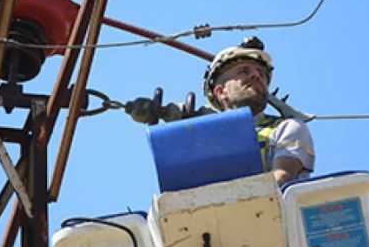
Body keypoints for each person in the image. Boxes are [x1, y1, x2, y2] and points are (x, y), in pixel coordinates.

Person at [127, 37, 315, 187]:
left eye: (261, 74)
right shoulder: (201, 139)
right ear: (221, 92)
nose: (256, 75)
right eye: (243, 71)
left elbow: (283, 180)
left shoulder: (286, 128)